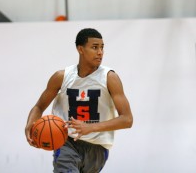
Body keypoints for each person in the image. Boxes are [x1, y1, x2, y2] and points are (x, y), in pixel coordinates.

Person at [25, 28, 133, 173]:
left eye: (102, 47)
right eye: (95, 47)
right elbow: (38, 107)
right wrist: (29, 125)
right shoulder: (61, 77)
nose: (100, 52)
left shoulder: (110, 78)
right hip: (66, 142)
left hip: (98, 147)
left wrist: (90, 127)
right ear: (80, 49)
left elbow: (127, 119)